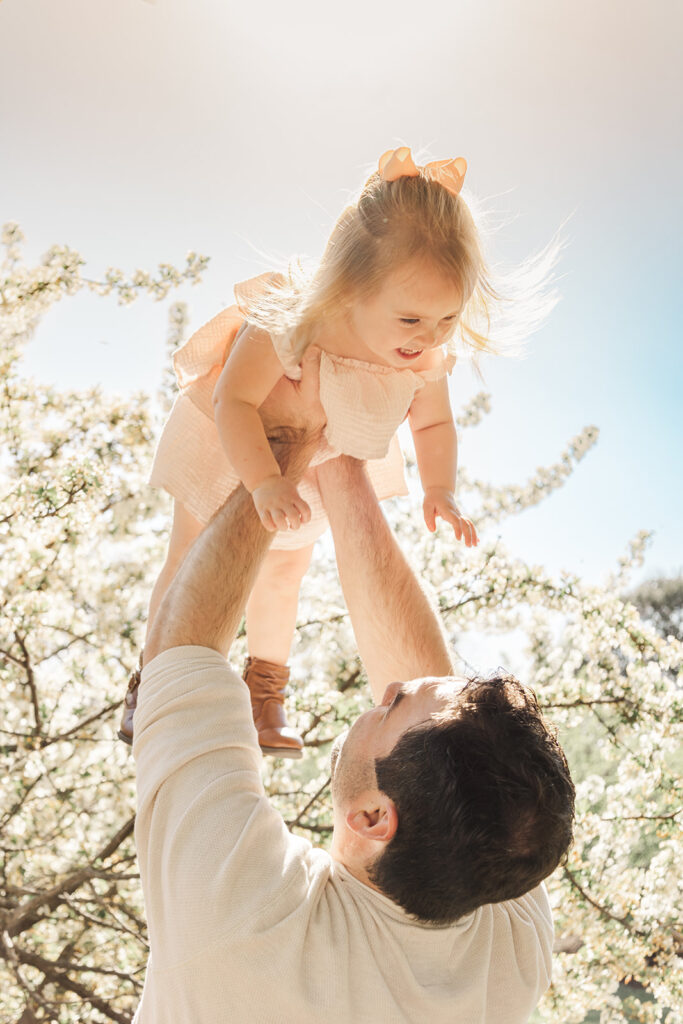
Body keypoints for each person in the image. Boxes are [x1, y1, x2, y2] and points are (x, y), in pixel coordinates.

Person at [131, 373, 575, 1023]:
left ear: (373, 818)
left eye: (392, 704)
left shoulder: (243, 921)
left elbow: (182, 647)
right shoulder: (503, 930)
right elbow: (433, 702)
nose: (389, 685)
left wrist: (289, 442)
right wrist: (340, 462)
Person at [119, 143, 550, 756]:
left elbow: (434, 426)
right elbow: (233, 404)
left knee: (285, 570)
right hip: (232, 451)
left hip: (316, 466)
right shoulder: (293, 319)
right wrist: (265, 481)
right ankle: (155, 677)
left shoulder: (425, 354)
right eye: (410, 321)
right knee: (191, 554)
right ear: (349, 290)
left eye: (447, 320)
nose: (428, 338)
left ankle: (265, 693)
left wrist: (440, 489)